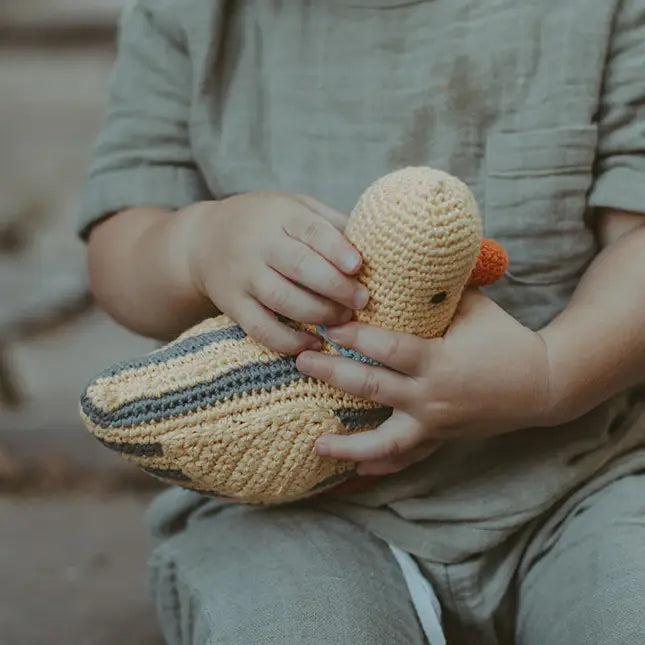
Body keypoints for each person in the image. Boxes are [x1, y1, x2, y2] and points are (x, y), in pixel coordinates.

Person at [79, 1, 645, 643]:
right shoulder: (193, 15)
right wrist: (197, 243)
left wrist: (552, 376)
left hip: (576, 482)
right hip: (287, 505)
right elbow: (119, 249)